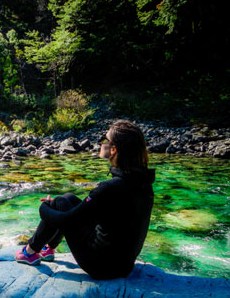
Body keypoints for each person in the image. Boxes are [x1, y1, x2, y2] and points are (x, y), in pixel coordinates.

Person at [15, 120, 155, 280]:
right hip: (124, 266)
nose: (101, 143)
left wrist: (46, 207)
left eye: (105, 139)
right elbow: (93, 213)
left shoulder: (109, 188)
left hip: (100, 267)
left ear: (114, 149)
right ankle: (49, 249)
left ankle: (29, 252)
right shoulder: (143, 184)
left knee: (60, 203)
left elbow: (65, 220)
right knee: (66, 199)